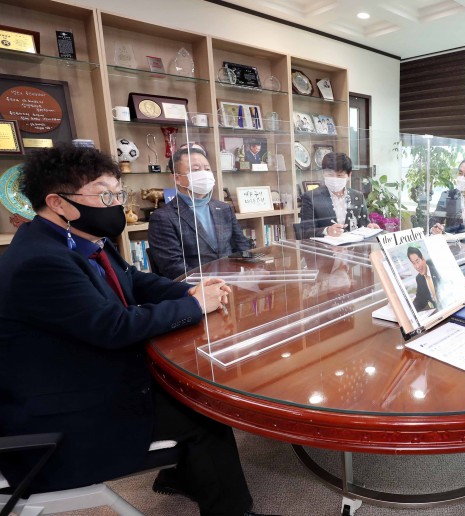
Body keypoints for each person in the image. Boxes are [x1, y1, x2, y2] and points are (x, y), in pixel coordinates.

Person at [0, 144, 275, 516]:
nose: (116, 204)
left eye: (119, 193)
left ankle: (183, 477)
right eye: (105, 195)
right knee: (204, 414)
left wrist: (188, 291)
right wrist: (194, 306)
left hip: (82, 374)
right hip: (61, 412)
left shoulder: (77, 238)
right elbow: (113, 326)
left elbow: (134, 279)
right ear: (58, 202)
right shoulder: (41, 261)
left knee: (189, 391)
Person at [149, 144, 251, 279]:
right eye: (196, 170)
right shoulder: (163, 218)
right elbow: (173, 267)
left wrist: (252, 270)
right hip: (196, 287)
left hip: (232, 281)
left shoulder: (224, 208)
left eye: (207, 169)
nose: (204, 174)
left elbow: (242, 246)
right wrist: (209, 286)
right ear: (177, 178)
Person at [299, 152, 379, 239]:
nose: (334, 179)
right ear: (323, 173)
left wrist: (369, 228)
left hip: (352, 246)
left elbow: (364, 225)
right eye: (330, 175)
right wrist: (327, 231)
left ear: (349, 175)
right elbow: (305, 232)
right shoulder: (311, 197)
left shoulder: (358, 196)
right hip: (324, 247)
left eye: (339, 175)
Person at [407, 246, 441, 311]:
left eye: (418, 261)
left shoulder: (436, 266)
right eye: (414, 263)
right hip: (438, 311)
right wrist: (410, 310)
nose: (417, 266)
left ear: (423, 259)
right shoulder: (419, 278)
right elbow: (419, 299)